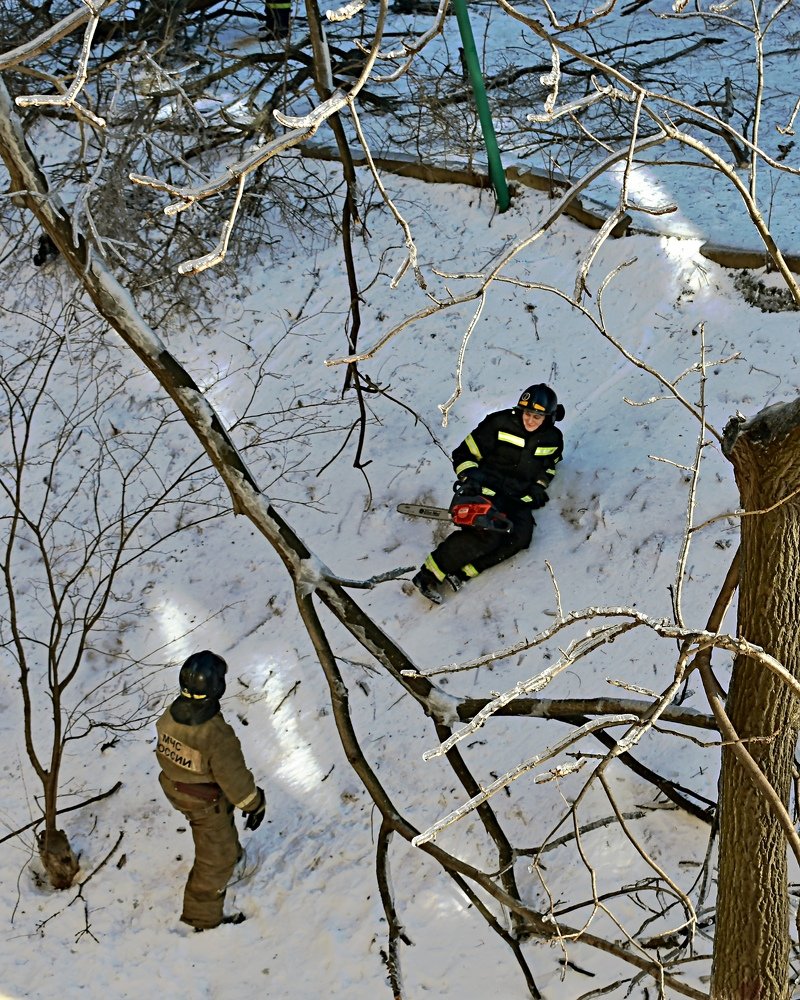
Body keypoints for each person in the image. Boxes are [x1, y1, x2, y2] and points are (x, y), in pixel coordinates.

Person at [411, 384, 565, 603]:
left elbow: (549, 466)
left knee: (521, 536)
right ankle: (428, 575)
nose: (530, 420)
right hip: (487, 488)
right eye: (528, 414)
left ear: (548, 417)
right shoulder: (498, 423)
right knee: (488, 533)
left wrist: (538, 486)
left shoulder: (553, 439)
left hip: (516, 496)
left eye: (537, 417)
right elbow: (464, 454)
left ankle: (464, 573)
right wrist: (470, 478)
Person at [155, 650, 266, 931]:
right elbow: (235, 780)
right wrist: (255, 804)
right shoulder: (216, 735)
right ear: (218, 686)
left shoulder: (169, 716)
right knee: (214, 860)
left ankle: (234, 854)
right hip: (205, 802)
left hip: (178, 790)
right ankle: (201, 918)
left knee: (219, 836)